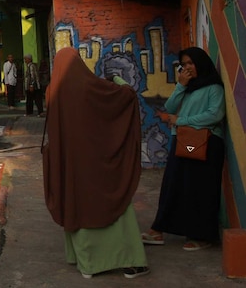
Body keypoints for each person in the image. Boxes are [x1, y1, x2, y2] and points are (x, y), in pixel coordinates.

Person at [43, 47, 149, 279]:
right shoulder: (90, 86)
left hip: (70, 164)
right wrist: (116, 78)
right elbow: (126, 95)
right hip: (97, 163)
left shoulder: (53, 91)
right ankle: (128, 260)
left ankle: (85, 263)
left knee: (77, 204)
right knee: (114, 203)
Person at [142, 46, 226, 251]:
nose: (187, 68)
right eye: (184, 64)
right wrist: (180, 86)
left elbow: (215, 114)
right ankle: (158, 229)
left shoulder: (214, 87)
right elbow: (169, 108)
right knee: (173, 184)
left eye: (191, 63)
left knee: (200, 189)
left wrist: (182, 120)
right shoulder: (188, 87)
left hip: (205, 143)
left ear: (201, 63)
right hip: (184, 142)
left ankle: (201, 235)